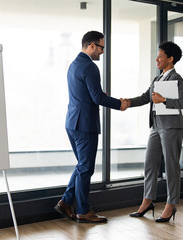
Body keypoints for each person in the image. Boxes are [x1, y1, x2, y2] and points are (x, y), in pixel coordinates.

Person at [54, 31, 129, 223]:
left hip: (72, 122)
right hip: (85, 125)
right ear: (92, 45)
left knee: (82, 167)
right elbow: (97, 98)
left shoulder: (74, 65)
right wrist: (118, 104)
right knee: (86, 168)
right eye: (102, 47)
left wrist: (98, 95)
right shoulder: (89, 67)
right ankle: (83, 211)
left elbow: (85, 93)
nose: (103, 52)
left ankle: (65, 203)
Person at [126, 41, 183, 222]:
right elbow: (145, 98)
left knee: (171, 167)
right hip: (156, 126)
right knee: (149, 164)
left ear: (170, 59)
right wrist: (125, 102)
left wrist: (164, 100)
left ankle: (171, 205)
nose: (157, 59)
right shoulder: (157, 79)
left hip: (172, 127)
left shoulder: (176, 78)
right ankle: (147, 201)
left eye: (160, 56)